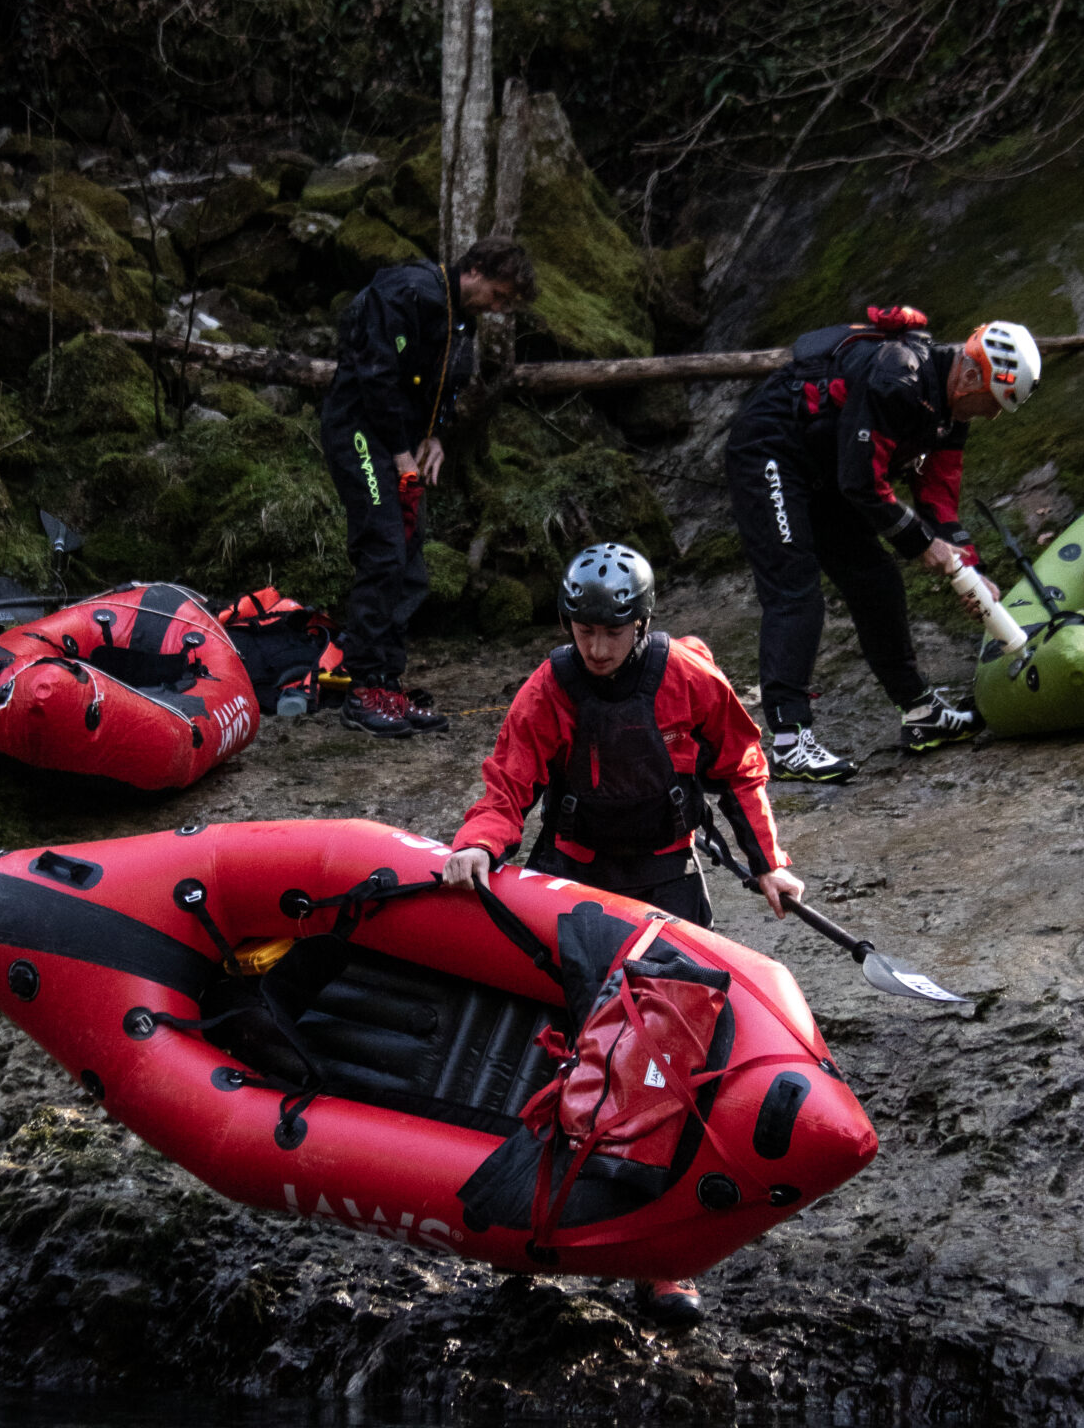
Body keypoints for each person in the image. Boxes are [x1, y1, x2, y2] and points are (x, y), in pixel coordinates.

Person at [442, 542, 804, 1332]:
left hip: (666, 879)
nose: (596, 649)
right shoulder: (551, 686)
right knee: (554, 1049)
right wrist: (479, 843)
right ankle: (525, 1236)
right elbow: (508, 783)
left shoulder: (688, 678)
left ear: (640, 624)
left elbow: (740, 766)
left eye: (610, 633)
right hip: (572, 882)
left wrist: (768, 865)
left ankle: (659, 1263)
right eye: (583, 632)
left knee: (670, 1068)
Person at [726, 312, 1042, 778]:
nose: (993, 414)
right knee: (795, 591)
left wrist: (970, 574)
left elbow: (939, 498)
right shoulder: (898, 380)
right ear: (971, 373)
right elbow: (862, 482)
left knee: (877, 580)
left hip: (828, 471)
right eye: (992, 401)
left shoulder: (951, 410)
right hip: (771, 451)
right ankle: (790, 741)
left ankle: (920, 713)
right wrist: (921, 545)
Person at [322, 234, 538, 736]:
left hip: (401, 443)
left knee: (411, 560)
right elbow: (376, 376)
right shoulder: (407, 290)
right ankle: (361, 690)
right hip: (360, 430)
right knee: (383, 549)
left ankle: (386, 683)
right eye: (500, 295)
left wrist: (433, 437)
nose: (500, 308)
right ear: (476, 270)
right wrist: (401, 453)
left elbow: (443, 384)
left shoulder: (460, 318)